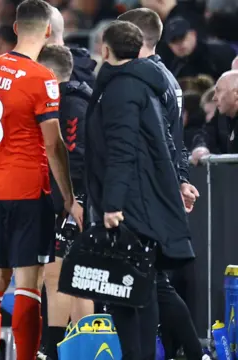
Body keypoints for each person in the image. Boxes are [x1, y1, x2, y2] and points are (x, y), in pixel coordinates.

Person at [0, 1, 84, 359]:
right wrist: (68, 198)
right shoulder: (42, 78)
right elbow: (54, 143)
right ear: (48, 32)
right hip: (28, 192)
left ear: (16, 28)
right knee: (28, 284)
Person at [84, 20, 195, 360]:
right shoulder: (136, 85)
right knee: (137, 293)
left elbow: (122, 150)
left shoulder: (122, 89)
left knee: (131, 295)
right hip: (140, 202)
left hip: (131, 207)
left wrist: (112, 205)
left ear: (105, 50)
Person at [116, 9, 204, 360]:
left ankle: (191, 353)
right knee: (153, 283)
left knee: (150, 284)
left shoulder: (146, 80)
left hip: (145, 195)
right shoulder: (165, 77)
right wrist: (181, 179)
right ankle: (192, 353)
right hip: (157, 192)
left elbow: (156, 142)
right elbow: (174, 142)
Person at [36, 44, 93, 360]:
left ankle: (84, 348)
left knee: (79, 277)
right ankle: (54, 348)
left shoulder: (73, 104)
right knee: (55, 275)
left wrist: (74, 201)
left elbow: (77, 159)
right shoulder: (57, 102)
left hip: (75, 202)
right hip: (61, 200)